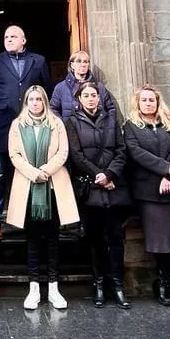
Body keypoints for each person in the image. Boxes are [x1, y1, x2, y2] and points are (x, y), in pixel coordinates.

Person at [6, 85, 78, 310]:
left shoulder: (56, 124)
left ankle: (54, 287)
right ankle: (34, 287)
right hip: (28, 187)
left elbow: (63, 152)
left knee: (53, 239)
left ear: (45, 102)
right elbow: (14, 154)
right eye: (31, 99)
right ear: (26, 102)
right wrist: (33, 173)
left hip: (53, 186)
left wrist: (46, 170)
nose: (35, 103)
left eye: (39, 99)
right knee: (33, 240)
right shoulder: (17, 125)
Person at [0, 26, 51, 239]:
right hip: (0, 126)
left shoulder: (38, 61)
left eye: (13, 36)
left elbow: (46, 91)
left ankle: (30, 219)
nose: (9, 39)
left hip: (31, 127)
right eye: (6, 37)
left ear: (24, 39)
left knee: (30, 173)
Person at [65, 79, 131, 309]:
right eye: (87, 95)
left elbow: (121, 150)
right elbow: (75, 155)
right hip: (91, 189)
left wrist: (110, 174)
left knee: (116, 238)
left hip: (113, 188)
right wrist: (99, 175)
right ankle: (99, 284)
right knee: (95, 240)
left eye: (94, 95)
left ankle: (118, 286)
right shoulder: (71, 122)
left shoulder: (112, 118)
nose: (91, 98)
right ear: (79, 100)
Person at [124, 85, 170, 309]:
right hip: (148, 191)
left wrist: (169, 177)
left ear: (158, 102)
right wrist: (164, 168)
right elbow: (136, 152)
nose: (148, 103)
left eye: (152, 100)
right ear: (138, 103)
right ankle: (161, 282)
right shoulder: (131, 126)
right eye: (144, 100)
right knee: (158, 239)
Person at [50, 50, 117, 122]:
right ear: (72, 65)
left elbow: (111, 109)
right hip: (70, 131)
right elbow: (53, 109)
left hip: (96, 131)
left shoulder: (99, 87)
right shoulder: (61, 88)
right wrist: (63, 125)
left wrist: (109, 128)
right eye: (79, 61)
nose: (83, 64)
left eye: (85, 62)